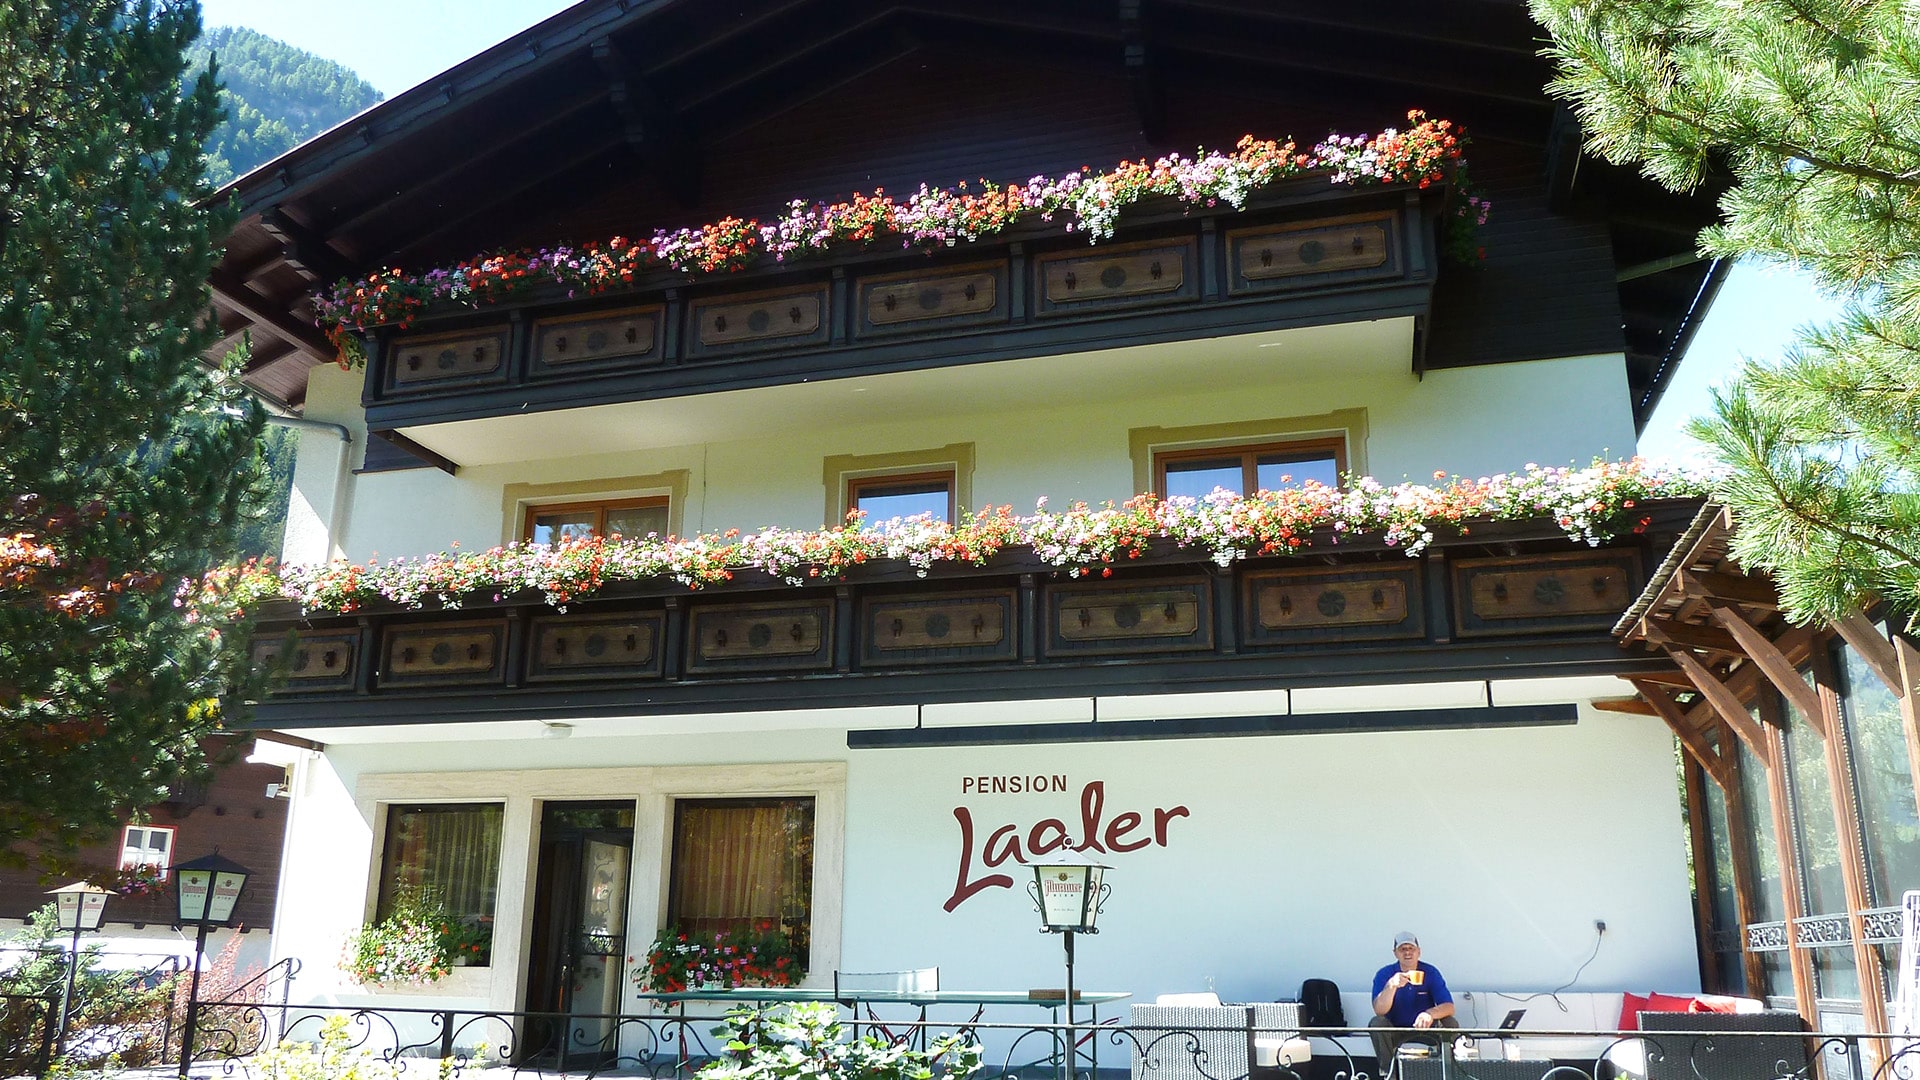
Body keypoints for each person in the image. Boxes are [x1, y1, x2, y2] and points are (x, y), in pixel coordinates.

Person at [1368, 931, 1458, 1072]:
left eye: (1411, 948)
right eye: (1402, 949)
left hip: (1425, 1029)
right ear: (1395, 953)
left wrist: (1429, 1014)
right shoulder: (1385, 974)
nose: (1407, 953)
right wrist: (1391, 986)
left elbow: (1449, 1007)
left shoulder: (1430, 972)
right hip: (1396, 1030)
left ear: (1419, 952)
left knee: (1450, 1022)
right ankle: (1389, 1073)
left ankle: (1450, 1070)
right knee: (1377, 1023)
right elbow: (1379, 1011)